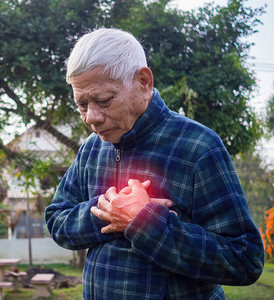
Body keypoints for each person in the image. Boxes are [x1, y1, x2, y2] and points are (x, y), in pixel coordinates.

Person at [44, 28, 264, 299]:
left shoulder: (198, 146)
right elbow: (57, 220)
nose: (92, 118)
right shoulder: (92, 148)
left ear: (143, 81)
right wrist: (109, 210)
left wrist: (146, 224)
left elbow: (245, 260)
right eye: (81, 104)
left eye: (104, 100)